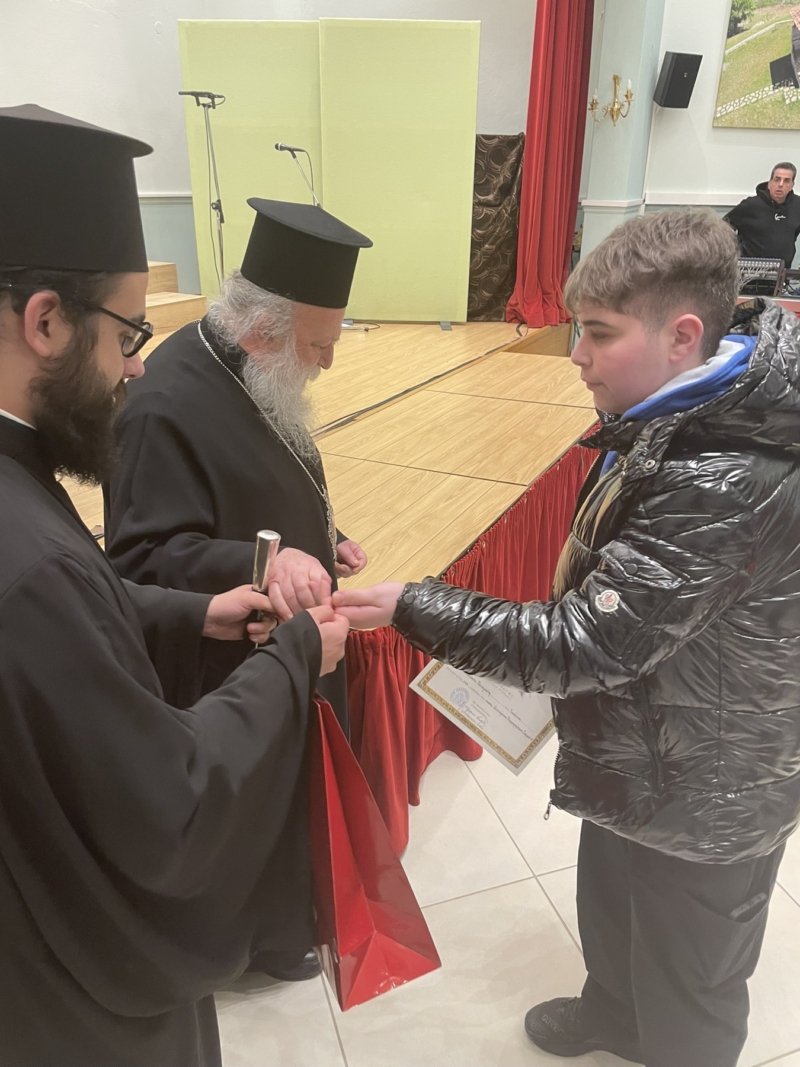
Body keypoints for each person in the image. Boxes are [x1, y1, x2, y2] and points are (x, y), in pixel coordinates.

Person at [334, 209, 800, 1067]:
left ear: (683, 336)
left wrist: (411, 605)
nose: (576, 354)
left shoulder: (724, 475)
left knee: (690, 979)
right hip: (648, 747)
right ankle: (616, 1015)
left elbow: (584, 643)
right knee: (614, 906)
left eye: (599, 333)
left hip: (710, 782)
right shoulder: (679, 415)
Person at [0, 103, 348, 1067]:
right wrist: (293, 654)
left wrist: (201, 608)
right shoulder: (36, 555)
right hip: (69, 1002)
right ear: (45, 321)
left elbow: (73, 625)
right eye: (126, 331)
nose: (134, 365)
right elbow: (170, 804)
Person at [104, 198, 371, 982]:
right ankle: (258, 942)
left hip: (294, 642)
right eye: (319, 345)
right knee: (257, 815)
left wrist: (326, 534)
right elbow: (141, 557)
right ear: (262, 331)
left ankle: (293, 923)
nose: (327, 362)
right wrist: (267, 562)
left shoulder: (255, 371)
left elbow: (270, 474)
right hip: (230, 671)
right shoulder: (161, 406)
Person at [724, 161, 800, 267]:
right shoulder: (750, 205)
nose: (780, 185)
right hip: (749, 271)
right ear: (769, 183)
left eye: (786, 181)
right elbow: (723, 227)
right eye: (777, 179)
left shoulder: (797, 206)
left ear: (792, 185)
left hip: (783, 271)